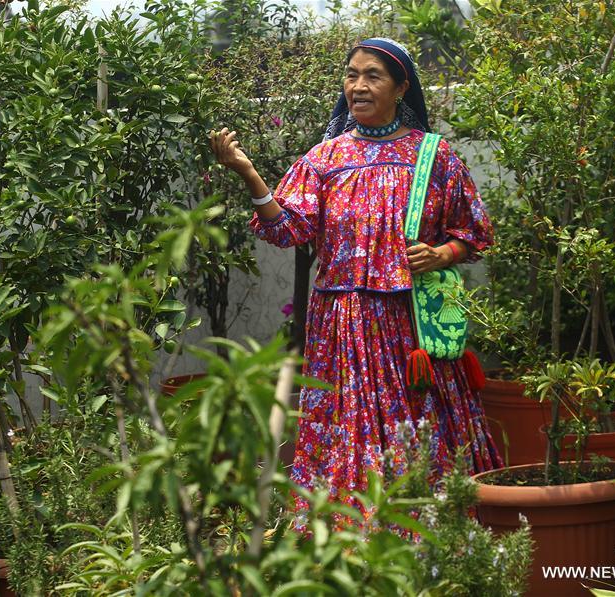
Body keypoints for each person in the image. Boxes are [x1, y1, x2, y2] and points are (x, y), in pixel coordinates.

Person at [209, 37, 502, 531]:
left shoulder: (434, 157)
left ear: (402, 87)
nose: (358, 86)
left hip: (410, 325)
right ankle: (345, 531)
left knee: (421, 427)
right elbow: (287, 229)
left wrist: (442, 253)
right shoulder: (325, 158)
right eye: (351, 75)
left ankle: (436, 529)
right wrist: (248, 173)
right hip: (343, 325)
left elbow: (473, 232)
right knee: (348, 427)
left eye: (373, 76)